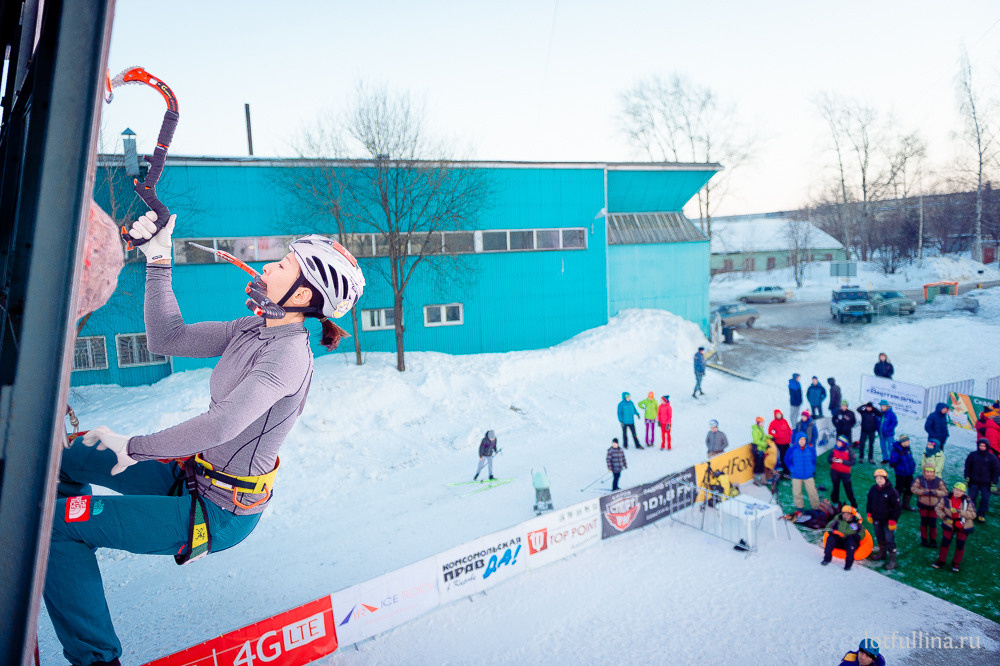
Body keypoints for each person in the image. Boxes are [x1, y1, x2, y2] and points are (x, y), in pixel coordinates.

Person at [46, 215, 365, 666]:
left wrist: (132, 446)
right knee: (71, 458)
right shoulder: (251, 330)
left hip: (217, 511)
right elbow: (166, 338)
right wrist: (158, 257)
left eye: (283, 266)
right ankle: (54, 524)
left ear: (301, 296)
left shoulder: (289, 355)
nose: (268, 267)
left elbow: (222, 426)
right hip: (193, 476)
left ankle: (96, 659)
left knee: (58, 529)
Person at [933, 481, 976, 572]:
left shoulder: (967, 501)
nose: (958, 492)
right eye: (956, 490)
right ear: (953, 489)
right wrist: (944, 517)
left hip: (963, 525)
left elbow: (973, 515)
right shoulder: (945, 498)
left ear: (963, 492)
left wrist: (960, 512)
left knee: (960, 545)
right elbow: (938, 508)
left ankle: (956, 563)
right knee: (945, 543)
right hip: (949, 523)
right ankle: (941, 560)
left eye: (960, 491)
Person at [866, 469, 901, 569]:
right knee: (879, 537)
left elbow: (897, 507)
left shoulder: (892, 491)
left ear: (885, 479)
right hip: (877, 519)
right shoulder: (873, 489)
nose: (879, 480)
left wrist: (893, 520)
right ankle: (882, 554)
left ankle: (893, 561)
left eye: (881, 478)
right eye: (877, 478)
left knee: (889, 539)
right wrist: (869, 513)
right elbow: (869, 501)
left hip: (888, 521)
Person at [964, 438, 1000, 523]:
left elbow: (996, 471)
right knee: (971, 498)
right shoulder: (972, 455)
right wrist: (967, 477)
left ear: (987, 447)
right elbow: (967, 466)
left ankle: (981, 514)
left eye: (984, 446)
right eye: (980, 445)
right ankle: (971, 513)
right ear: (978, 446)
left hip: (986, 484)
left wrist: (994, 483)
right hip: (973, 481)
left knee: (985, 499)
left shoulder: (992, 458)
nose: (982, 447)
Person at [912, 465, 948, 547]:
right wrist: (923, 492)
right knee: (924, 522)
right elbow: (913, 489)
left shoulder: (938, 481)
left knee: (932, 523)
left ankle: (933, 539)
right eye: (927, 472)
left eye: (931, 472)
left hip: (934, 506)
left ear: (934, 472)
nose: (929, 474)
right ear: (924, 471)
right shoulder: (919, 479)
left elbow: (945, 492)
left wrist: (936, 493)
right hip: (923, 505)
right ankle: (924, 539)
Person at [821, 504, 863, 570]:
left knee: (851, 541)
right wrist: (834, 531)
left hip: (848, 541)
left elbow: (861, 533)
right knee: (830, 539)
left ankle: (848, 565)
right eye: (844, 514)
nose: (845, 516)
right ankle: (827, 559)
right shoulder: (838, 519)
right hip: (838, 540)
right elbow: (829, 526)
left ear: (851, 515)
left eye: (847, 514)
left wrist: (851, 536)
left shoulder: (855, 523)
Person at [785, 431, 820, 510]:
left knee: (812, 492)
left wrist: (812, 469)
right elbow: (787, 460)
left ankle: (816, 507)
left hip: (808, 475)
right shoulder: (792, 450)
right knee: (797, 492)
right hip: (796, 475)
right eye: (800, 440)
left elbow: (814, 460)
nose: (802, 441)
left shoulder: (810, 449)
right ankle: (799, 507)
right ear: (797, 440)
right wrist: (792, 469)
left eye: (804, 439)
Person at [827, 435, 858, 508]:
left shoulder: (849, 451)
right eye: (837, 441)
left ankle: (854, 505)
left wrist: (842, 461)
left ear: (843, 443)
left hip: (845, 473)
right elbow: (828, 458)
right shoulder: (834, 449)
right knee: (835, 487)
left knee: (848, 489)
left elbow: (853, 462)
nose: (837, 443)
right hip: (834, 471)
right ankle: (835, 502)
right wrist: (832, 460)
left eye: (839, 442)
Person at [888, 435, 916, 511]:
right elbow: (893, 463)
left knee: (910, 488)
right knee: (898, 490)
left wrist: (912, 466)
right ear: (902, 442)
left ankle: (906, 504)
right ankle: (895, 506)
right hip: (901, 474)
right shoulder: (896, 450)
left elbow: (910, 459)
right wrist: (901, 469)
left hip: (909, 473)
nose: (909, 442)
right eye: (907, 441)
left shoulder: (908, 449)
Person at [768, 409, 793, 479]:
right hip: (780, 443)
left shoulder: (784, 421)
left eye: (779, 414)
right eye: (777, 415)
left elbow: (789, 429)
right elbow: (770, 432)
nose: (778, 415)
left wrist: (790, 433)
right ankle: (786, 472)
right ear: (775, 415)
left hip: (787, 442)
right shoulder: (773, 423)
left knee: (788, 456)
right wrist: (777, 435)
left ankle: (788, 470)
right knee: (783, 457)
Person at [751, 416, 772, 486]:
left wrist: (770, 437)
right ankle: (756, 480)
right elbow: (756, 440)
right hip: (757, 450)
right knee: (758, 466)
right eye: (761, 422)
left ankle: (763, 480)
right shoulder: (755, 430)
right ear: (758, 423)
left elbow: (763, 436)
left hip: (761, 450)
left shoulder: (760, 429)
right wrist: (765, 445)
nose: (763, 424)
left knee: (761, 465)